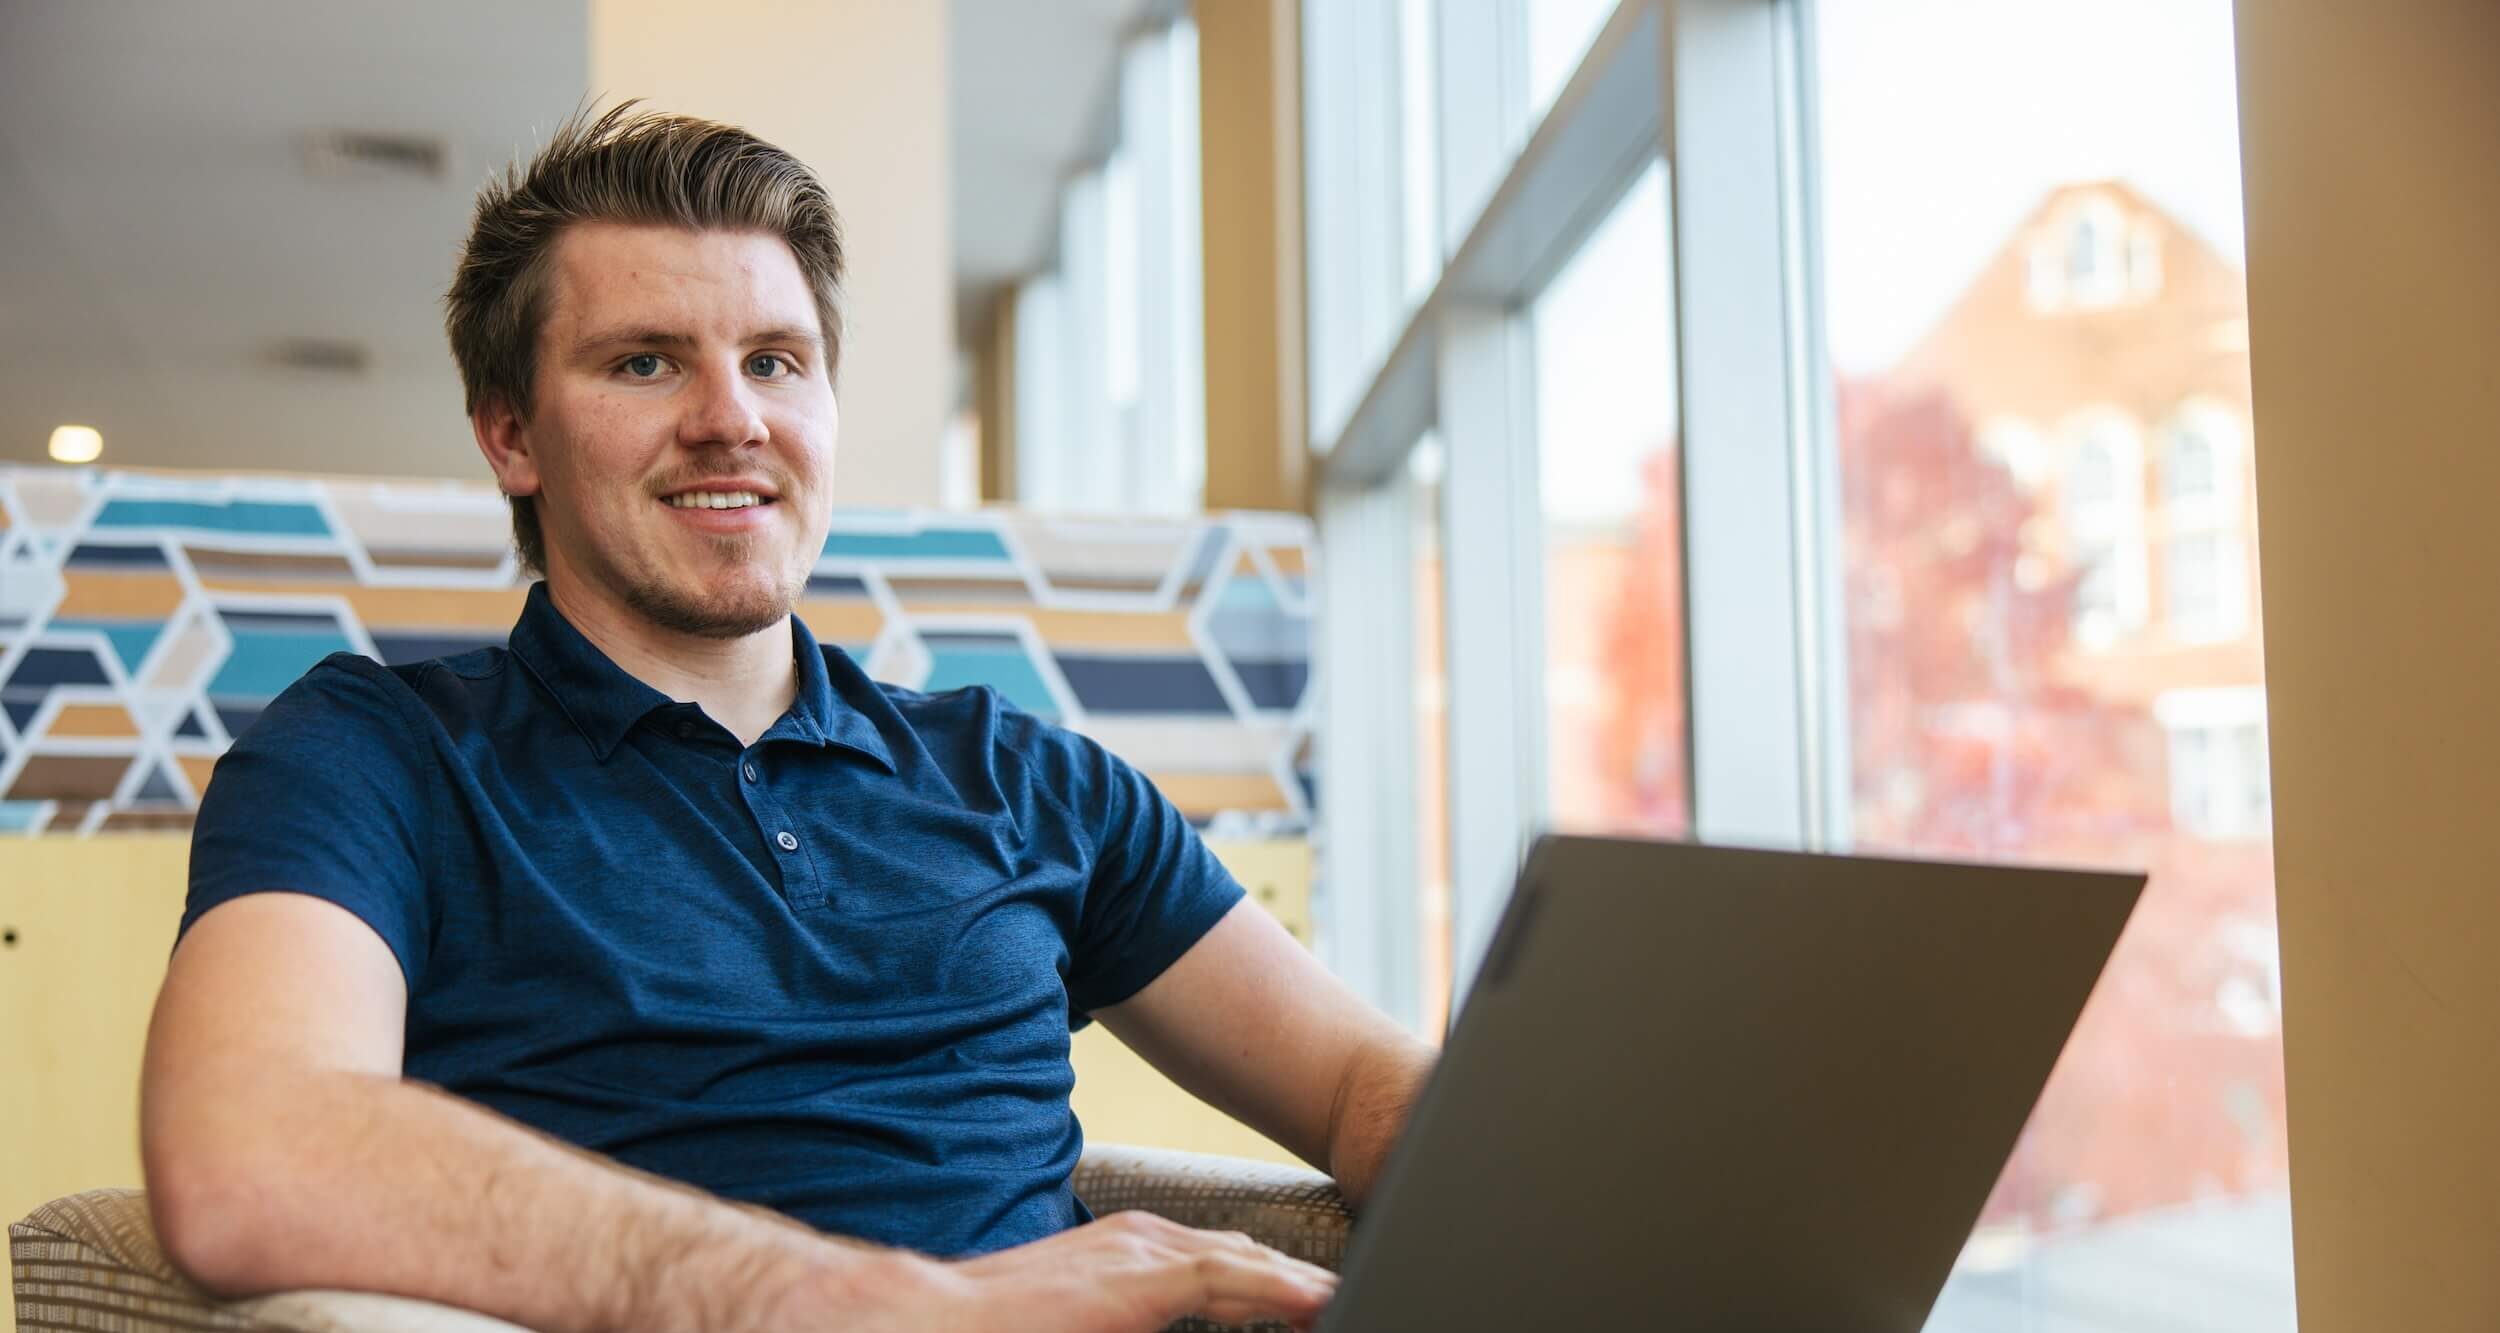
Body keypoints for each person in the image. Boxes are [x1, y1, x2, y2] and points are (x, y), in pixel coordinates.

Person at [138, 103, 1434, 1333]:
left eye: (776, 361)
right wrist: (898, 1301)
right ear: (511, 433)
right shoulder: (371, 756)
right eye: (645, 362)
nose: (730, 418)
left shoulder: (1028, 778)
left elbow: (1362, 1083)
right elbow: (251, 1147)